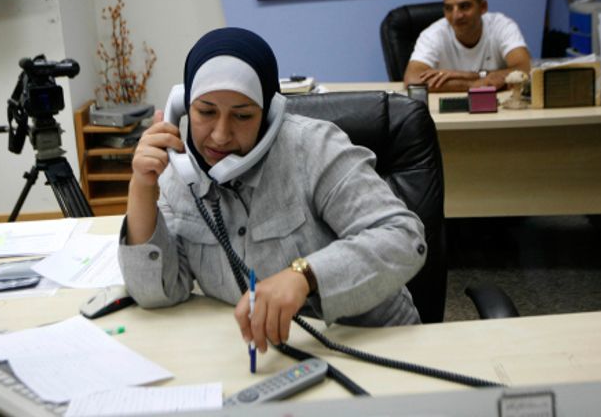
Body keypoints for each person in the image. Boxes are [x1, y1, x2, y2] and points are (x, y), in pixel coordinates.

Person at [118, 27, 426, 354]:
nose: (220, 136)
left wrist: (305, 276)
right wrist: (141, 187)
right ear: (183, 107)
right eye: (205, 112)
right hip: (263, 355)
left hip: (366, 344)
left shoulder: (315, 148)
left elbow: (404, 238)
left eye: (242, 115)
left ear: (268, 114)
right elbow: (157, 293)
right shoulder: (177, 166)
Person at [403, 0, 531, 92]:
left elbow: (525, 68)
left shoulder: (502, 26)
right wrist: (476, 84)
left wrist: (467, 75)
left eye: (464, 6)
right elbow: (413, 80)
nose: (456, 16)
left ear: (483, 7)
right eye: (448, 8)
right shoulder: (432, 34)